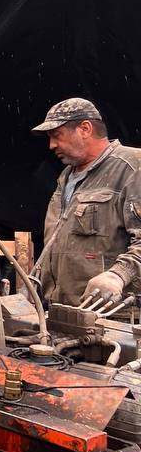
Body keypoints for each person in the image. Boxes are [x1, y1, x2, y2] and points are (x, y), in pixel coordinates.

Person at [31, 97, 141, 310]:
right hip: (66, 313)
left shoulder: (132, 168)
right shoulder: (67, 176)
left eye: (56, 135)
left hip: (114, 318)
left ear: (85, 128)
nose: (51, 145)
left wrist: (118, 276)